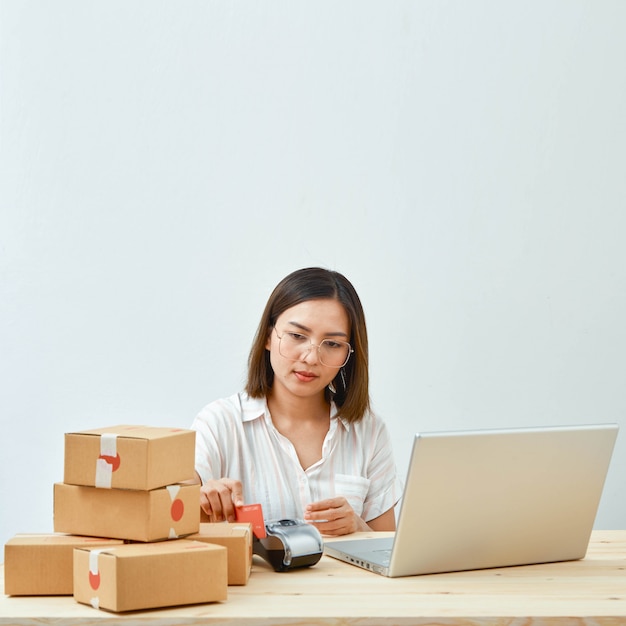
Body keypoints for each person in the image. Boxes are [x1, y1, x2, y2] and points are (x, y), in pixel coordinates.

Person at [191, 267, 402, 536]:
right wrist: (200, 496)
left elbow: (385, 551)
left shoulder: (369, 431)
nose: (311, 357)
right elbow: (172, 506)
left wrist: (358, 528)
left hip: (342, 580)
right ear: (268, 336)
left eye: (332, 344)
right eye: (297, 336)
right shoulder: (219, 423)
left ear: (349, 353)